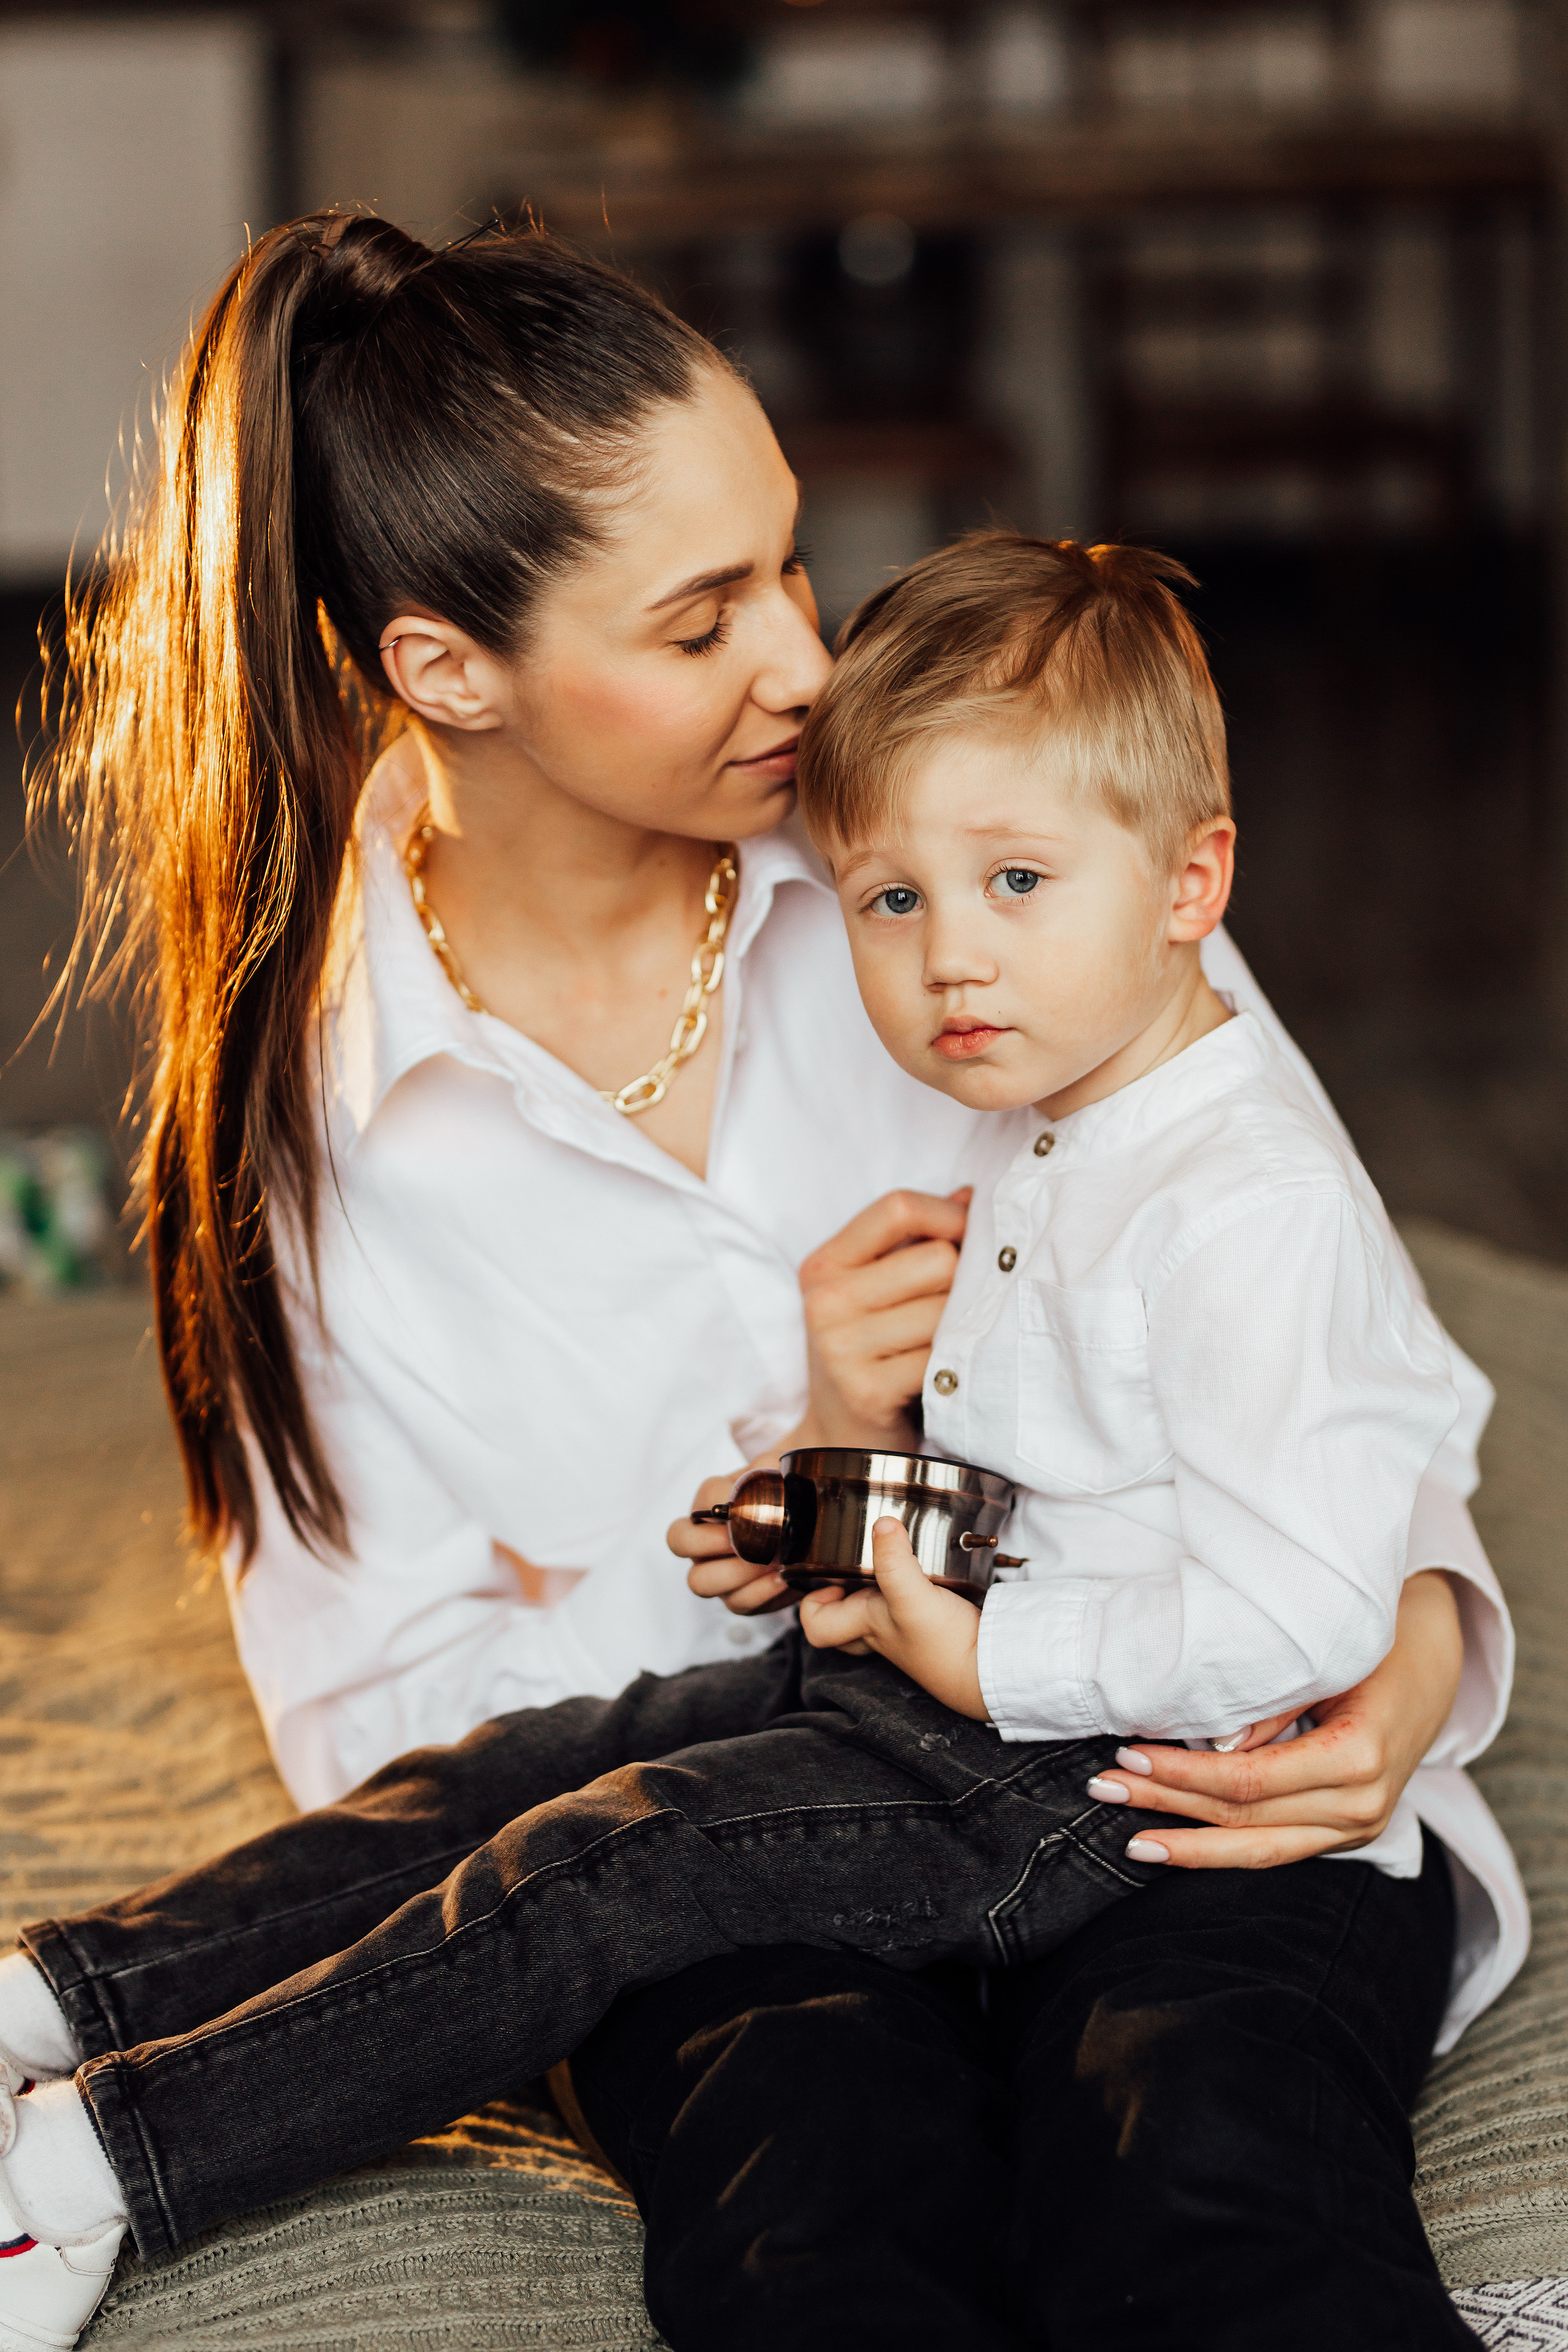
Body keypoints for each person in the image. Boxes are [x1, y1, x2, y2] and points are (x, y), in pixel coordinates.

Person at [2, 208, 1519, 2347]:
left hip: (1176, 1792)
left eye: (790, 563)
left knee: (1211, 2155)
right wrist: (821, 1476)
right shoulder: (305, 1123)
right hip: (741, 1836)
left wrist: (1423, 1657)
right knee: (815, 2200)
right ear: (449, 672)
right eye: (703, 619)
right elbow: (406, 1740)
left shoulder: (979, 836)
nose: (808, 663)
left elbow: (1339, 1352)